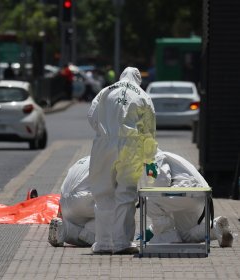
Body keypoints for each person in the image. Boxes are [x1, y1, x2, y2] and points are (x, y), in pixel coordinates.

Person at [48, 153, 233, 249]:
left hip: (68, 203)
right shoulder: (160, 156)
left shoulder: (95, 155)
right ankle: (212, 229)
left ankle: (66, 229)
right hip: (198, 196)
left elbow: (157, 185)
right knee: (112, 231)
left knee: (150, 198)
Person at [87, 66, 157, 254]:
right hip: (131, 146)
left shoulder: (105, 91)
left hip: (104, 144)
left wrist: (104, 132)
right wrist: (149, 160)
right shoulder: (143, 96)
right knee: (125, 193)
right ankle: (121, 243)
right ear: (137, 79)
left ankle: (103, 242)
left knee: (102, 192)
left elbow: (92, 116)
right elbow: (149, 131)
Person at [138, 149, 234, 247]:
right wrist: (152, 229)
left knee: (147, 200)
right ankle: (214, 227)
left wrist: (157, 229)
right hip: (199, 196)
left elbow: (162, 184)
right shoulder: (170, 156)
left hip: (186, 193)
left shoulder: (156, 158)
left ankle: (168, 238)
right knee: (185, 235)